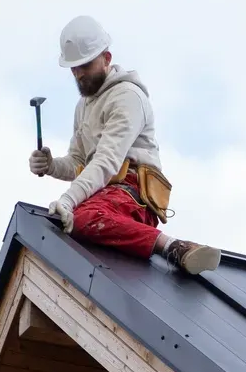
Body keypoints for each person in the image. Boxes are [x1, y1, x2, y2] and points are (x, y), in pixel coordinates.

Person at [28, 16, 221, 275]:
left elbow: (106, 161)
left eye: (85, 65)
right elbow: (78, 164)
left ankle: (174, 247)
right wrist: (51, 165)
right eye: (74, 68)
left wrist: (69, 199)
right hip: (104, 193)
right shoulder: (83, 107)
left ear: (106, 58)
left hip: (133, 193)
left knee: (82, 218)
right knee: (70, 223)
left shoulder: (127, 97)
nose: (79, 74)